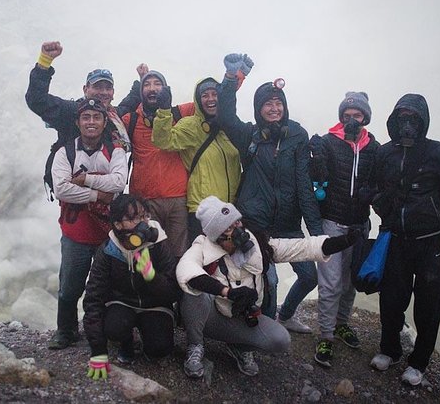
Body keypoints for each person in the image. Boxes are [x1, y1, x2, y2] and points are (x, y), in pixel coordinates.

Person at [176, 196, 357, 378]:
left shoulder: (258, 245)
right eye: (230, 228)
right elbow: (186, 269)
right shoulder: (202, 247)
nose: (239, 231)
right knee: (193, 291)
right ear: (217, 236)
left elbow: (300, 247)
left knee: (280, 340)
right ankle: (195, 345)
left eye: (237, 222)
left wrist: (343, 241)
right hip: (211, 318)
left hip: (239, 317)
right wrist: (227, 292)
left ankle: (239, 347)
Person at [216, 58, 323, 333]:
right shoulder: (249, 136)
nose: (274, 109)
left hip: (288, 224)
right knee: (270, 282)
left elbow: (303, 184)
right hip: (256, 224)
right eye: (268, 104)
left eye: (279, 103)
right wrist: (231, 78)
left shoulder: (297, 135)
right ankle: (262, 331)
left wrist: (317, 233)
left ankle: (285, 315)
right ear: (259, 109)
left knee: (310, 276)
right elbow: (225, 115)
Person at [368, 93, 440, 386]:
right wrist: (382, 206)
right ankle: (390, 350)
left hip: (432, 242)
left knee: (428, 306)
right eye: (401, 118)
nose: (407, 124)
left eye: (413, 118)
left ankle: (419, 362)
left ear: (423, 120)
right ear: (393, 121)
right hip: (396, 239)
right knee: (391, 300)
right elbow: (373, 189)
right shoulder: (384, 154)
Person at [49, 98, 129, 349]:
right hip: (76, 233)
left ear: (105, 122)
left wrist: (84, 180)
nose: (91, 122)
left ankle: (101, 329)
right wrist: (97, 194)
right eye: (86, 117)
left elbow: (118, 183)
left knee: (107, 286)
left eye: (96, 117)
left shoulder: (115, 151)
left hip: (106, 234)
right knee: (70, 285)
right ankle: (66, 330)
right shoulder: (65, 152)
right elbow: (61, 189)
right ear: (78, 122)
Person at [309, 92, 380, 367]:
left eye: (357, 115)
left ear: (366, 118)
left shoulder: (374, 147)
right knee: (330, 283)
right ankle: (326, 335)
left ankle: (341, 324)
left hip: (359, 224)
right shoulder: (328, 142)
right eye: (347, 115)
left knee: (349, 281)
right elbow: (318, 177)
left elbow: (380, 182)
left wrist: (371, 193)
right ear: (341, 117)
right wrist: (315, 157)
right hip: (331, 223)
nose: (352, 120)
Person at [151, 54, 253, 244]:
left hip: (232, 209)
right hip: (203, 210)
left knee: (230, 266)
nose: (210, 99)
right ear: (198, 100)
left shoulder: (228, 128)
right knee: (205, 263)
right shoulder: (191, 125)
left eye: (214, 94)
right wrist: (164, 111)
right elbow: (163, 141)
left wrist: (237, 75)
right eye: (204, 95)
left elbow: (229, 100)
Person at [83, 194, 182, 379]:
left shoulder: (158, 244)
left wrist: (152, 277)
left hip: (155, 304)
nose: (142, 223)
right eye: (133, 218)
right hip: (122, 302)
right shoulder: (107, 251)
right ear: (118, 224)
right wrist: (98, 351)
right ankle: (126, 342)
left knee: (160, 349)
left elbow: (174, 292)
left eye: (144, 216)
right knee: (114, 328)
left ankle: (148, 339)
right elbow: (93, 298)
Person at [121, 69, 195, 259]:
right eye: (147, 85)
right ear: (140, 91)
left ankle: (178, 288)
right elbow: (104, 122)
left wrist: (235, 76)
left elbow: (211, 100)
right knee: (148, 254)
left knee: (180, 255)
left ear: (166, 89)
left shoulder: (180, 113)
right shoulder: (131, 120)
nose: (152, 89)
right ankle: (150, 288)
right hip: (144, 201)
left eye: (157, 84)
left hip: (178, 199)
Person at [25, 41, 132, 150]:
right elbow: (37, 100)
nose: (103, 92)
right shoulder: (72, 112)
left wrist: (143, 80)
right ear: (85, 89)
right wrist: (44, 62)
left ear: (113, 93)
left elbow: (131, 102)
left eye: (108, 88)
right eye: (97, 87)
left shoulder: (116, 115)